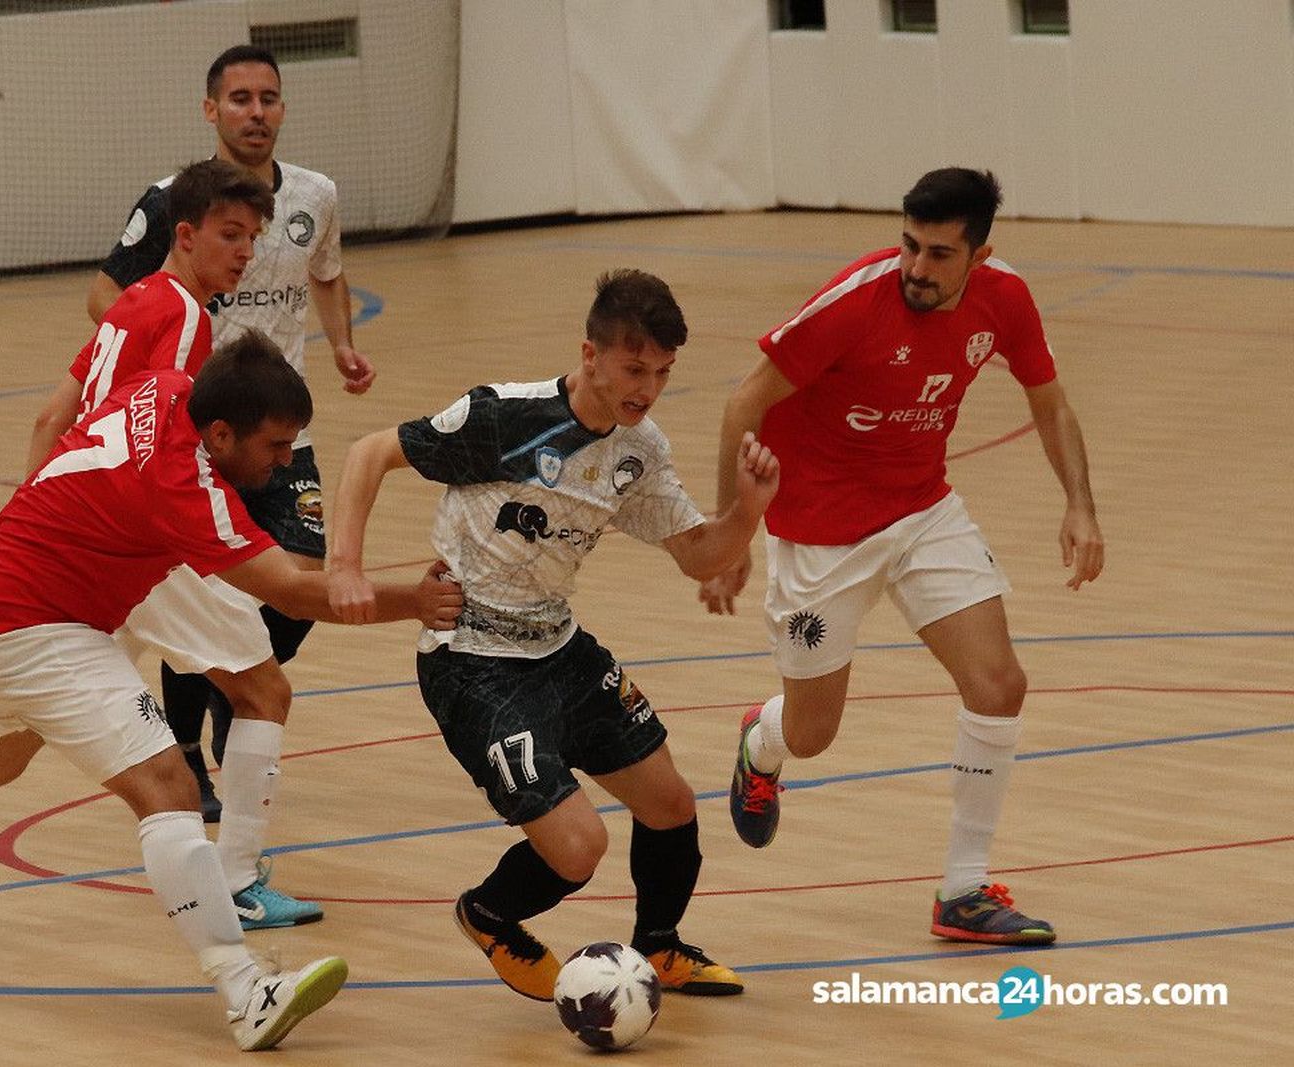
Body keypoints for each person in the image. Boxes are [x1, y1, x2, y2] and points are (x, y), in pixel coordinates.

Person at [0, 335, 461, 1051]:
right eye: (273, 446)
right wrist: (414, 601)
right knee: (167, 786)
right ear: (222, 431)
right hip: (38, 624)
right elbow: (296, 594)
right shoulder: (186, 486)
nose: (282, 461)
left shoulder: (167, 389)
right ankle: (245, 990)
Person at [0, 159, 328, 951]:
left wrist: (40, 520)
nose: (244, 253)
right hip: (143, 542)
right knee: (264, 691)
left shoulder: (129, 303)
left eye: (254, 238)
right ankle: (236, 882)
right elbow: (181, 452)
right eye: (231, 236)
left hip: (78, 545)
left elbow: (51, 416)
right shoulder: (188, 320)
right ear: (187, 235)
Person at [325, 269, 780, 1003]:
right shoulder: (503, 416)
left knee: (669, 803)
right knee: (579, 847)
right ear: (590, 354)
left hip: (559, 646)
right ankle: (491, 913)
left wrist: (747, 514)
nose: (648, 387)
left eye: (663, 372)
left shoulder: (638, 448)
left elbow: (700, 554)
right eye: (635, 369)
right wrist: (346, 564)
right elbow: (368, 453)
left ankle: (658, 946)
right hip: (471, 658)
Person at [709, 167, 1104, 945]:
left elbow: (1050, 403)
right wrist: (732, 534)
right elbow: (742, 403)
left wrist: (1081, 503)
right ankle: (765, 739)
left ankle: (962, 890)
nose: (917, 269)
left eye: (939, 254)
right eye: (909, 246)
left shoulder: (1007, 299)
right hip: (819, 528)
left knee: (999, 683)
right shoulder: (854, 302)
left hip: (923, 509)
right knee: (815, 731)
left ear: (981, 254)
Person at [88, 46, 369, 930]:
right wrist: (169, 360)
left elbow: (326, 273)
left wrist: (345, 342)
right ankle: (201, 748)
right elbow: (105, 296)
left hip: (281, 431)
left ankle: (225, 694)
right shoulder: (171, 202)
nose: (256, 111)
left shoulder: (314, 195)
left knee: (301, 577)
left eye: (269, 98)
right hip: (199, 435)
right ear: (210, 110)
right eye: (239, 99)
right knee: (204, 585)